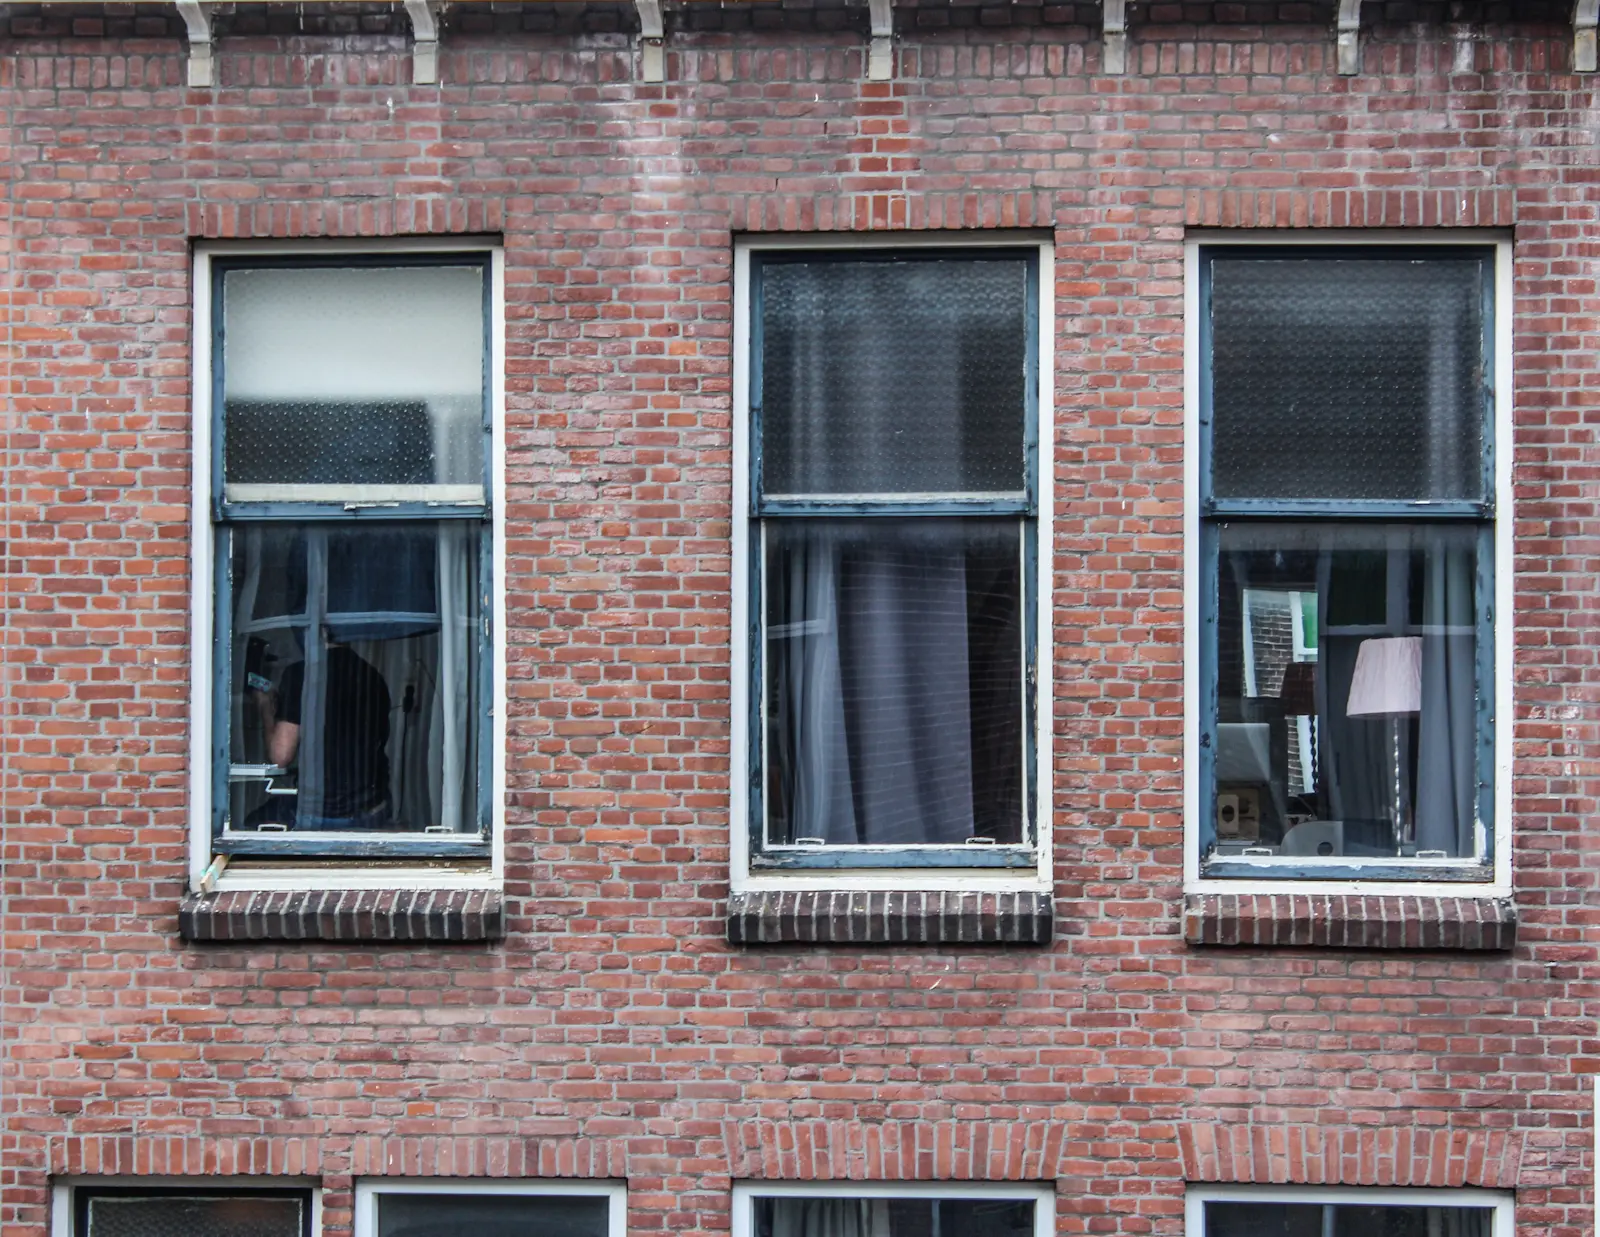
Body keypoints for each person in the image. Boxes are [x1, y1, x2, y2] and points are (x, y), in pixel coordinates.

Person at [255, 629, 393, 830]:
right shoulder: (373, 677)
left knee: (255, 822)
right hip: (371, 807)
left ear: (318, 630)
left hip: (323, 812)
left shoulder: (302, 674)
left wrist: (266, 708)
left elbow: (281, 755)